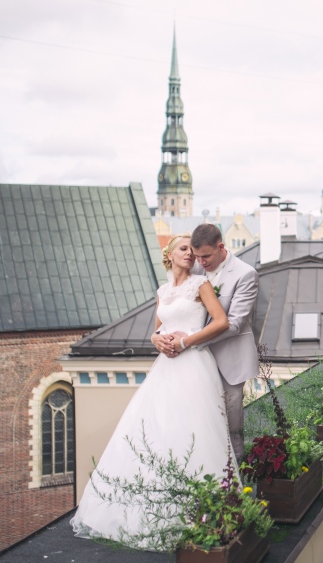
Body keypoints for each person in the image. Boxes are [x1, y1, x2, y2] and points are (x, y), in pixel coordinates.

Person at [71, 234, 234, 548]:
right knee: (157, 430)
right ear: (169, 254)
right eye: (184, 248)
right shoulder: (163, 291)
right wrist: (155, 339)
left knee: (193, 432)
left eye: (193, 250)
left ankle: (198, 514)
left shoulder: (200, 285)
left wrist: (185, 341)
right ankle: (152, 509)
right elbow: (157, 329)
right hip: (166, 368)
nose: (190, 254)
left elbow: (221, 322)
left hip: (193, 365)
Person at [153, 223, 259, 458]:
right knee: (194, 423)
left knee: (231, 426)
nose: (199, 262)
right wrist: (156, 337)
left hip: (229, 359)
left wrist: (188, 342)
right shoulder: (195, 268)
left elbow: (234, 324)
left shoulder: (245, 274)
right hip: (193, 364)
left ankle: (236, 474)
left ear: (220, 247)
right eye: (196, 255)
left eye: (206, 256)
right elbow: (174, 309)